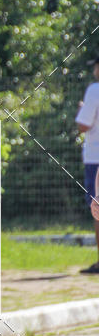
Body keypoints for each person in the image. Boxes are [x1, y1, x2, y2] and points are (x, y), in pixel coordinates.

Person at [75, 56, 99, 273]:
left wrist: (81, 109)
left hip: (96, 157)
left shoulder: (94, 90)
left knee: (97, 207)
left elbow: (83, 125)